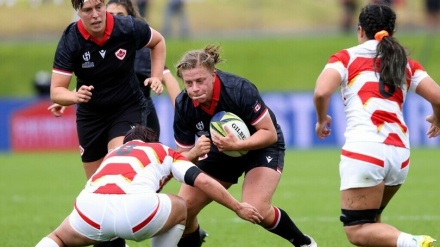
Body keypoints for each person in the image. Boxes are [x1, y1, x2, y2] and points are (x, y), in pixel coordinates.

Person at [313, 3, 439, 247]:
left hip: (365, 151)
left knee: (357, 230)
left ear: (360, 30)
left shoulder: (346, 58)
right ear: (392, 31)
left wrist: (321, 119)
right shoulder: (406, 63)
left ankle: (413, 242)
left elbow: (321, 92)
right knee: (372, 223)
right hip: (400, 155)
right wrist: (438, 118)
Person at [172, 44, 317, 247]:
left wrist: (238, 144)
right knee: (183, 211)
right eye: (189, 83)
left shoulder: (238, 89)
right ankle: (195, 236)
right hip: (220, 149)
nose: (195, 88)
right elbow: (182, 158)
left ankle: (304, 243)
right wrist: (195, 152)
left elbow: (269, 133)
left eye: (200, 81)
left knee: (255, 207)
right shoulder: (184, 104)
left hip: (261, 145)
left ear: (213, 75)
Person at [35, 125, 263, 247]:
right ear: (150, 140)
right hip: (136, 211)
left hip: (90, 209)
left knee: (58, 238)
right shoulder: (162, 150)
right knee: (181, 205)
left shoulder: (112, 154)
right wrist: (237, 207)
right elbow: (202, 180)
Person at [49, 0, 180, 140]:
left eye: (121, 14)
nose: (97, 16)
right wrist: (70, 96)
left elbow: (168, 79)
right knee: (102, 161)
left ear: (130, 16)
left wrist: (180, 113)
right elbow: (101, 80)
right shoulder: (76, 40)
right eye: (112, 14)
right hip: (97, 114)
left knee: (121, 157)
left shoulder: (140, 49)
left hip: (134, 110)